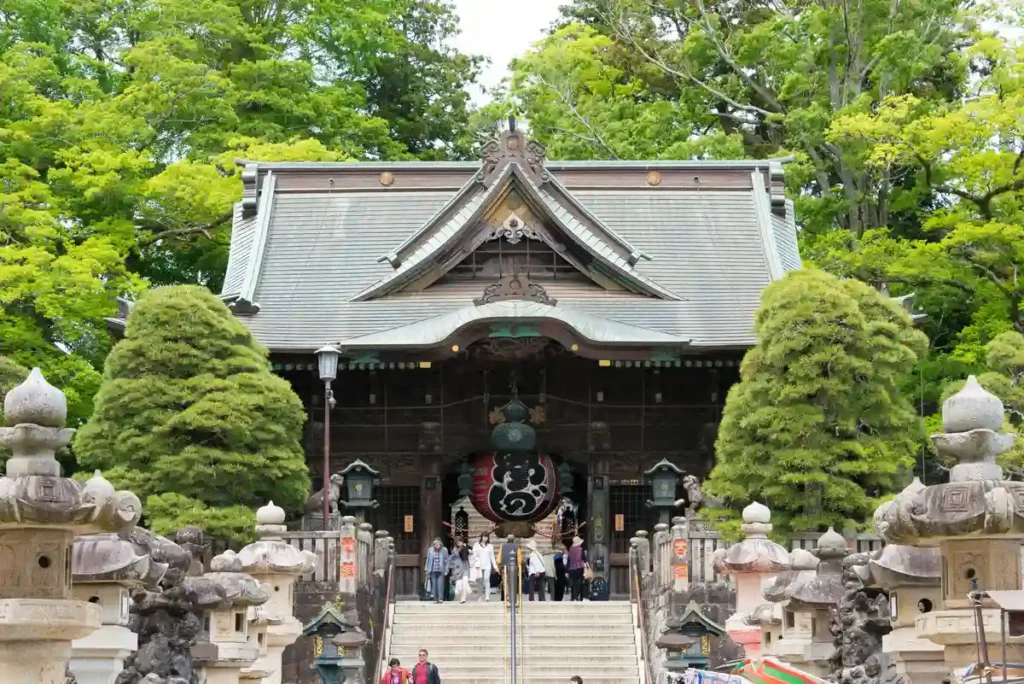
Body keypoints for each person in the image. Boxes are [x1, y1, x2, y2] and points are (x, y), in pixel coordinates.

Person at [471, 533, 498, 602]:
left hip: (487, 565)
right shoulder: (476, 545)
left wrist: (495, 566)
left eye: (486, 537)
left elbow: (492, 557)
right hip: (479, 566)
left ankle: (487, 596)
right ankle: (479, 596)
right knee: (479, 581)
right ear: (481, 537)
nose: (485, 538)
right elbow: (473, 555)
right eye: (484, 537)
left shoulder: (490, 546)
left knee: (486, 579)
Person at [423, 538, 449, 603]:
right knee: (434, 585)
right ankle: (435, 598)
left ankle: (440, 598)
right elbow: (428, 560)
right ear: (433, 545)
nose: (437, 545)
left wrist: (446, 569)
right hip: (433, 570)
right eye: (435, 544)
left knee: (440, 585)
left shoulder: (444, 550)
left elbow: (447, 560)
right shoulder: (430, 550)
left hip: (441, 570)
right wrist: (427, 570)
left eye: (438, 544)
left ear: (440, 544)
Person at [450, 539, 471, 603]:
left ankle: (463, 598)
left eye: (460, 541)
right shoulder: (454, 550)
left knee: (465, 582)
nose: (459, 543)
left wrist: (467, 548)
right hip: (458, 570)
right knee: (459, 586)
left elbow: (472, 552)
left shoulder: (465, 548)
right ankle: (463, 596)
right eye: (458, 542)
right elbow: (452, 560)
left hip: (465, 568)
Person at [567, 536, 587, 601]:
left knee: (573, 583)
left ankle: (573, 596)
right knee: (581, 583)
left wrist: (567, 570)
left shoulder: (570, 549)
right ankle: (580, 597)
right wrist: (587, 566)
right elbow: (584, 559)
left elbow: (568, 560)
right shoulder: (581, 550)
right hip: (579, 568)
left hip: (571, 568)